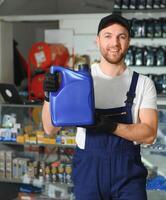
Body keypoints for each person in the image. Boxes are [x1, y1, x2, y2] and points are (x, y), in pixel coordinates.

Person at [42, 13, 158, 200]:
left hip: (128, 175)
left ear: (128, 41)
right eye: (108, 36)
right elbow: (49, 128)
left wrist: (110, 126)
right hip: (89, 173)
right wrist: (49, 96)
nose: (115, 43)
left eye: (121, 36)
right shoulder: (77, 81)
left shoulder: (143, 83)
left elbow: (149, 133)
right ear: (97, 40)